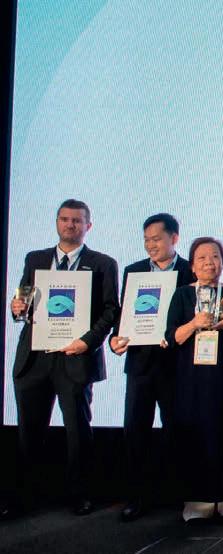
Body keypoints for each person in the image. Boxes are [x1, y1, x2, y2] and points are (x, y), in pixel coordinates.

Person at [8, 199, 119, 517]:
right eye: (65, 219)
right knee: (29, 431)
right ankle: (25, 498)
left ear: (88, 226)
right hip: (35, 358)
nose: (70, 225)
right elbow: (24, 301)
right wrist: (17, 309)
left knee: (77, 431)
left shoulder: (102, 263)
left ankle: (80, 494)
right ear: (57, 222)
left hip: (76, 357)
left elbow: (111, 309)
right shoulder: (35, 259)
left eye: (77, 220)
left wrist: (87, 342)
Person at [108, 213, 195, 522]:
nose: (150, 245)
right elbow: (124, 316)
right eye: (146, 240)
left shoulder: (189, 271)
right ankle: (137, 496)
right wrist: (115, 339)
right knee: (135, 431)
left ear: (174, 238)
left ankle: (179, 494)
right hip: (140, 365)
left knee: (178, 430)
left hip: (177, 364)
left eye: (156, 239)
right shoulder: (133, 271)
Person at [167, 237, 223, 521]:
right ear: (192, 265)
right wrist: (194, 323)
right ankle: (197, 499)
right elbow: (172, 337)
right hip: (191, 375)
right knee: (194, 431)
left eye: (215, 257)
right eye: (202, 258)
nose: (209, 263)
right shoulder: (182, 295)